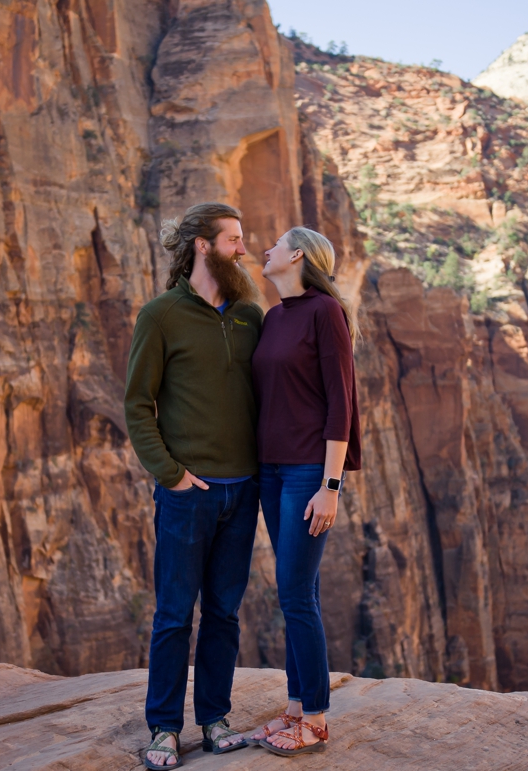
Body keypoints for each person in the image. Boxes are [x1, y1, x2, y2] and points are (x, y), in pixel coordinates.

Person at [126, 202, 265, 769]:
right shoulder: (160, 315)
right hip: (190, 494)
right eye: (233, 238)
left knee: (225, 614)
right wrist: (173, 476)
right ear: (203, 245)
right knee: (175, 615)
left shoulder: (251, 316)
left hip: (245, 490)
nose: (243, 248)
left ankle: (213, 718)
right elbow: (137, 405)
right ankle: (163, 728)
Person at [243, 227, 362, 755]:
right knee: (297, 591)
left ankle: (314, 718)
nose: (264, 251)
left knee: (294, 592)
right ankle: (294, 707)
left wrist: (330, 485)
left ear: (296, 256)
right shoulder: (274, 318)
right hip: (271, 471)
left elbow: (342, 403)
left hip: (308, 473)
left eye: (274, 244)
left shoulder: (324, 312)